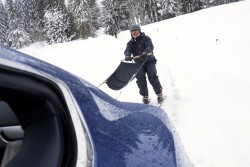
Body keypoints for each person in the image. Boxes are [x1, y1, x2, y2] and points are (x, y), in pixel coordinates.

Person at [124, 24, 164, 104]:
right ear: (131, 33)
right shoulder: (130, 43)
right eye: (133, 31)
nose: (135, 32)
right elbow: (127, 50)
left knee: (152, 76)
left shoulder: (146, 38)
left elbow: (150, 46)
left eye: (136, 30)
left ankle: (159, 93)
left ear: (139, 30)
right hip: (138, 63)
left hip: (149, 61)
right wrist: (127, 55)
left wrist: (146, 52)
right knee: (140, 78)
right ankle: (145, 96)